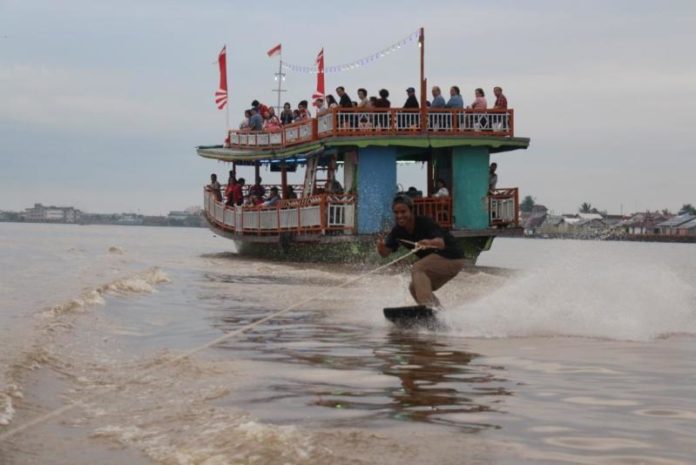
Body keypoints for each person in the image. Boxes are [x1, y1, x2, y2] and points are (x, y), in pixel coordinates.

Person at [377, 195, 466, 307]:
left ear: (411, 211)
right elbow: (385, 254)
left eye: (403, 212)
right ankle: (439, 315)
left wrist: (429, 243)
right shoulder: (397, 231)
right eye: (396, 213)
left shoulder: (425, 222)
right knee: (414, 287)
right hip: (439, 263)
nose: (399, 216)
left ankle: (428, 309)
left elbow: (440, 243)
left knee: (418, 268)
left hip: (453, 257)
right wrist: (381, 248)